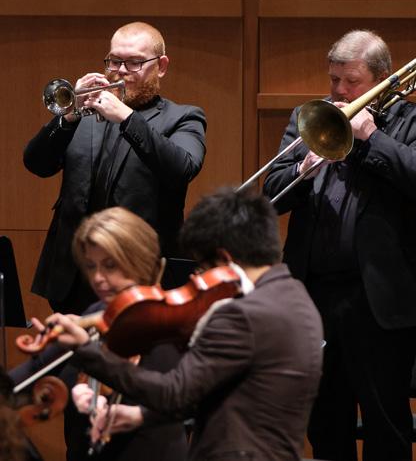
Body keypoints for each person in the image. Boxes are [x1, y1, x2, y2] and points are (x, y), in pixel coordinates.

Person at [263, 29, 416, 461]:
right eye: (334, 79)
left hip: (382, 299)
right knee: (326, 424)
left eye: (351, 81)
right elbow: (271, 194)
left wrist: (371, 137)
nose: (340, 91)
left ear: (383, 79)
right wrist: (302, 171)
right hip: (314, 295)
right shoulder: (309, 117)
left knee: (386, 424)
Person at [43, 187, 324, 461]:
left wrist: (87, 350)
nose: (199, 280)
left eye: (202, 268)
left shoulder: (241, 315)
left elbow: (174, 393)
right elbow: (219, 391)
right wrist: (141, 415)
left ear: (225, 259)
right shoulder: (297, 298)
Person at [24, 21, 207, 314]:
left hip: (141, 276)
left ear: (161, 66)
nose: (121, 71)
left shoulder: (183, 118)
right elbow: (37, 164)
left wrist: (126, 117)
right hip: (73, 275)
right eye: (114, 61)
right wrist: (70, 115)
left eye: (134, 63)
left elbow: (182, 168)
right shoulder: (83, 114)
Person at [9, 207, 188, 461]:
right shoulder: (96, 314)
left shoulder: (164, 325)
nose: (98, 278)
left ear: (140, 261)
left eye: (110, 265)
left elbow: (166, 400)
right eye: (91, 266)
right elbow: (30, 374)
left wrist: (87, 350)